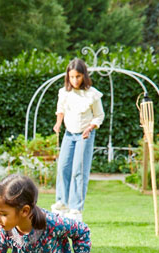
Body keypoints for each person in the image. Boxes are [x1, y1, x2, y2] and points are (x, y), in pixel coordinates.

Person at [52, 58, 104, 221]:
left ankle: (76, 208)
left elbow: (99, 115)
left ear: (84, 76)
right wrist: (58, 123)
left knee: (78, 171)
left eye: (78, 77)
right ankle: (62, 203)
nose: (75, 80)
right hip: (69, 134)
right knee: (63, 167)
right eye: (72, 77)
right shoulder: (64, 92)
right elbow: (60, 110)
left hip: (84, 135)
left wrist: (90, 128)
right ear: (68, 76)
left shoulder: (92, 94)